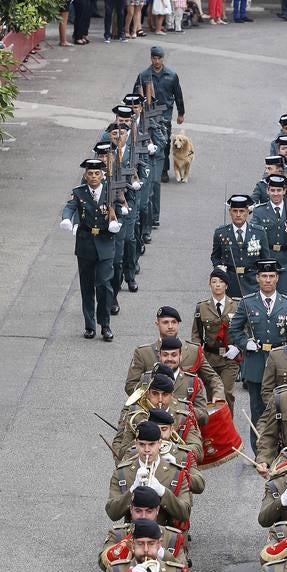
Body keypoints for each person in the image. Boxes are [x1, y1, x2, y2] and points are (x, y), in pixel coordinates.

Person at [229, 260, 287, 450]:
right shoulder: (247, 302)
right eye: (264, 276)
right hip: (256, 361)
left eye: (272, 276)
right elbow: (235, 329)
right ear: (257, 278)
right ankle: (259, 450)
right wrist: (245, 343)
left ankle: (282, 448)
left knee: (283, 407)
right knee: (258, 409)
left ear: (277, 278)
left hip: (280, 361)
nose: (268, 280)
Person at [60, 159, 122, 340]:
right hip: (85, 243)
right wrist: (66, 219)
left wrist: (116, 224)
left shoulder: (112, 191)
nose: (93, 177)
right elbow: (70, 207)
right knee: (87, 286)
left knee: (104, 285)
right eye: (90, 173)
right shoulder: (79, 193)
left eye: (97, 173)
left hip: (105, 242)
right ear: (85, 175)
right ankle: (90, 325)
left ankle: (105, 324)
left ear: (103, 175)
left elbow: (123, 211)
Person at [105, 419, 203, 525]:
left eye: (151, 444)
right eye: (142, 444)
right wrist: (132, 489)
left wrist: (163, 492)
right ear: (136, 444)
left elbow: (184, 513)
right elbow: (112, 513)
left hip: (165, 536)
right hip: (134, 536)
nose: (147, 449)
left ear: (159, 444)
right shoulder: (122, 472)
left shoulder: (176, 472)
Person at [124, 304, 225, 400]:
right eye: (165, 322)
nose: (170, 326)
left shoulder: (193, 350)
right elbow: (130, 385)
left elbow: (212, 378)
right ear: (157, 324)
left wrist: (218, 395)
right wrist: (148, 398)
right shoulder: (143, 353)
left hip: (186, 411)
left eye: (174, 322)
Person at [191, 269, 240, 414]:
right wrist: (197, 355)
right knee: (212, 394)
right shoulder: (202, 307)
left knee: (226, 393)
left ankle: (227, 426)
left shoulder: (236, 306)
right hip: (209, 357)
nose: (217, 285)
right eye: (214, 282)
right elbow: (196, 334)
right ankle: (214, 427)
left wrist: (238, 347)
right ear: (209, 285)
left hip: (229, 358)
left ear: (226, 285)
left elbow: (244, 329)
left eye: (221, 282)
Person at [134, 46, 185, 183]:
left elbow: (178, 95)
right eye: (154, 58)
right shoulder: (143, 76)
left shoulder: (171, 75)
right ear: (151, 58)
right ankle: (146, 169)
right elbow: (135, 96)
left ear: (163, 59)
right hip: (147, 115)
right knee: (146, 142)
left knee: (164, 142)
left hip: (164, 115)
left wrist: (181, 113)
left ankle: (163, 170)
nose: (156, 61)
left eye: (159, 58)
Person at [210, 194, 270, 298]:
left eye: (242, 211)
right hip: (230, 281)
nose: (238, 214)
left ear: (247, 212)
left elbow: (265, 259)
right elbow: (215, 256)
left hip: (252, 282)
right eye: (235, 211)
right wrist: (219, 268)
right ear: (230, 212)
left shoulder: (259, 232)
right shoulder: (221, 233)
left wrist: (262, 279)